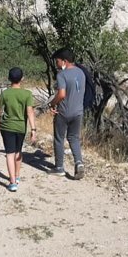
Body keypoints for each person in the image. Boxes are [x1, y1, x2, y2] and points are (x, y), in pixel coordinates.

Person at [0, 67, 37, 192]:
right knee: (18, 151)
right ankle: (17, 176)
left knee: (9, 153)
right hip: (21, 127)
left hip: (7, 126)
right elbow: (30, 112)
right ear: (22, 78)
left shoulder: (5, 93)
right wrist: (33, 129)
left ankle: (12, 182)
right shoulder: (27, 94)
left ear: (9, 78)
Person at [48, 48, 86, 179]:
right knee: (74, 138)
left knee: (59, 138)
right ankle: (79, 162)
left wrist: (52, 104)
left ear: (64, 61)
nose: (57, 64)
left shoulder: (62, 75)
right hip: (78, 111)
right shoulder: (81, 72)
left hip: (64, 112)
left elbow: (62, 94)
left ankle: (59, 167)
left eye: (58, 61)